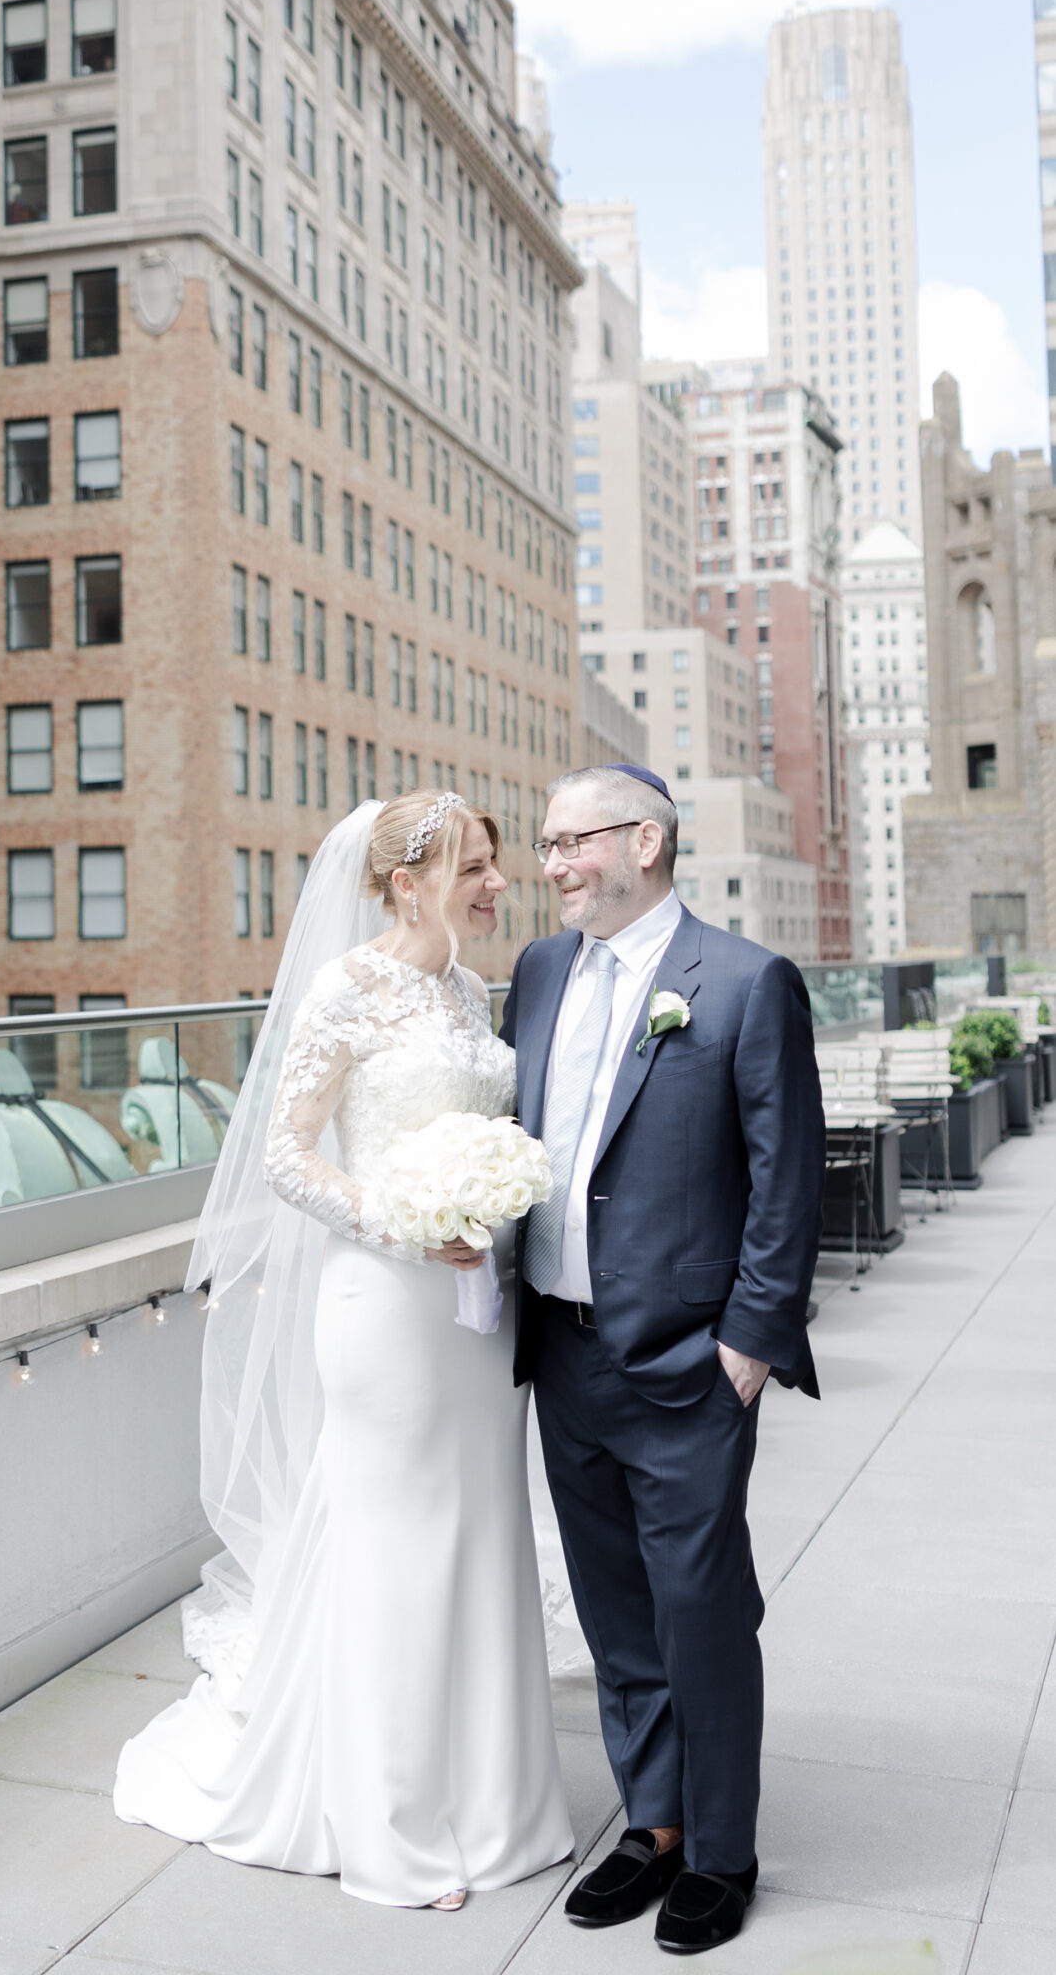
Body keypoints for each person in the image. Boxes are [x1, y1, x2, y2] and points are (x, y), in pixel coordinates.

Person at [113, 792, 573, 1909]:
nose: (495, 885)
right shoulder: (344, 988)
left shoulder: (468, 989)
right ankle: (395, 1828)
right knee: (397, 1552)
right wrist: (406, 1221)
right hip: (383, 1311)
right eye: (474, 865)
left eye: (495, 866)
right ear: (405, 881)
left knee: (478, 1536)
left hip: (477, 1315)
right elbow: (282, 1154)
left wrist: (490, 1213)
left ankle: (495, 1802)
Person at [503, 763, 824, 1957]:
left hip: (688, 1364)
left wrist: (747, 1343)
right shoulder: (537, 973)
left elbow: (784, 1179)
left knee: (698, 1612)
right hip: (564, 1353)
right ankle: (653, 1827)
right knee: (613, 1616)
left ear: (644, 838)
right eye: (542, 845)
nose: (551, 866)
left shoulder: (742, 982)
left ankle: (724, 1849)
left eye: (567, 841)